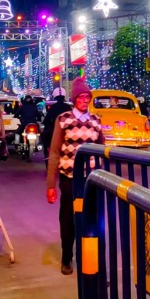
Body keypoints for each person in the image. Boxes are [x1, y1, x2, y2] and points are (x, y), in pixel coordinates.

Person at [46, 77, 103, 275]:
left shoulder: (97, 121)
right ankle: (66, 257)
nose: (84, 100)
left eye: (87, 96)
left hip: (92, 179)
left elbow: (102, 150)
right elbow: (54, 153)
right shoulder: (63, 119)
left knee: (92, 219)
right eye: (81, 96)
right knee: (68, 219)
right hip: (69, 178)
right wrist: (50, 184)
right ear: (74, 98)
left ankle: (89, 257)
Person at [42, 94, 71, 166]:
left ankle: (48, 154)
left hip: (53, 130)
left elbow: (47, 120)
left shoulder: (53, 107)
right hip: (67, 131)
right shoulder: (68, 107)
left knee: (45, 138)